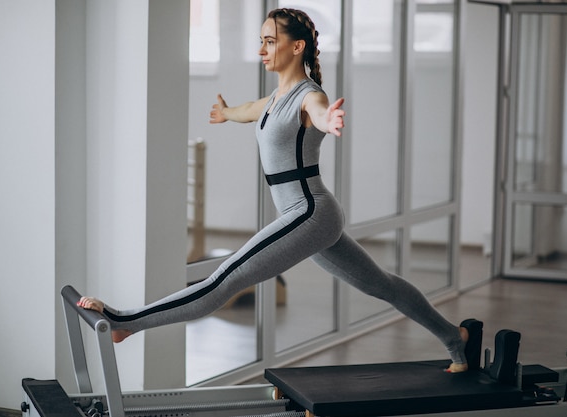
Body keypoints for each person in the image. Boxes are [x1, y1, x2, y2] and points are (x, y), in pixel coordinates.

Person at [78, 7, 479, 373]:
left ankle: (124, 322)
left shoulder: (309, 96)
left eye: (270, 41)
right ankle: (455, 339)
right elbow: (251, 110)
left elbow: (318, 113)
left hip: (309, 213)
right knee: (382, 285)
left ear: (296, 46)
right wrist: (227, 112)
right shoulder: (276, 97)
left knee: (223, 281)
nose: (262, 50)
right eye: (261, 41)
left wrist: (329, 120)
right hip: (313, 215)